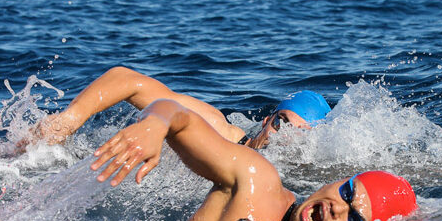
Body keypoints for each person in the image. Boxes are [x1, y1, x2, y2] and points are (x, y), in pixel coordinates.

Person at [90, 97, 417, 221]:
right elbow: (175, 112)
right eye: (347, 193)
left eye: (356, 219)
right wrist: (155, 126)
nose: (337, 207)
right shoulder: (257, 179)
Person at [34, 66, 331, 150]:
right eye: (282, 122)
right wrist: (68, 121)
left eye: (300, 134)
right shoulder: (219, 130)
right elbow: (127, 80)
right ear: (266, 120)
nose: (283, 137)